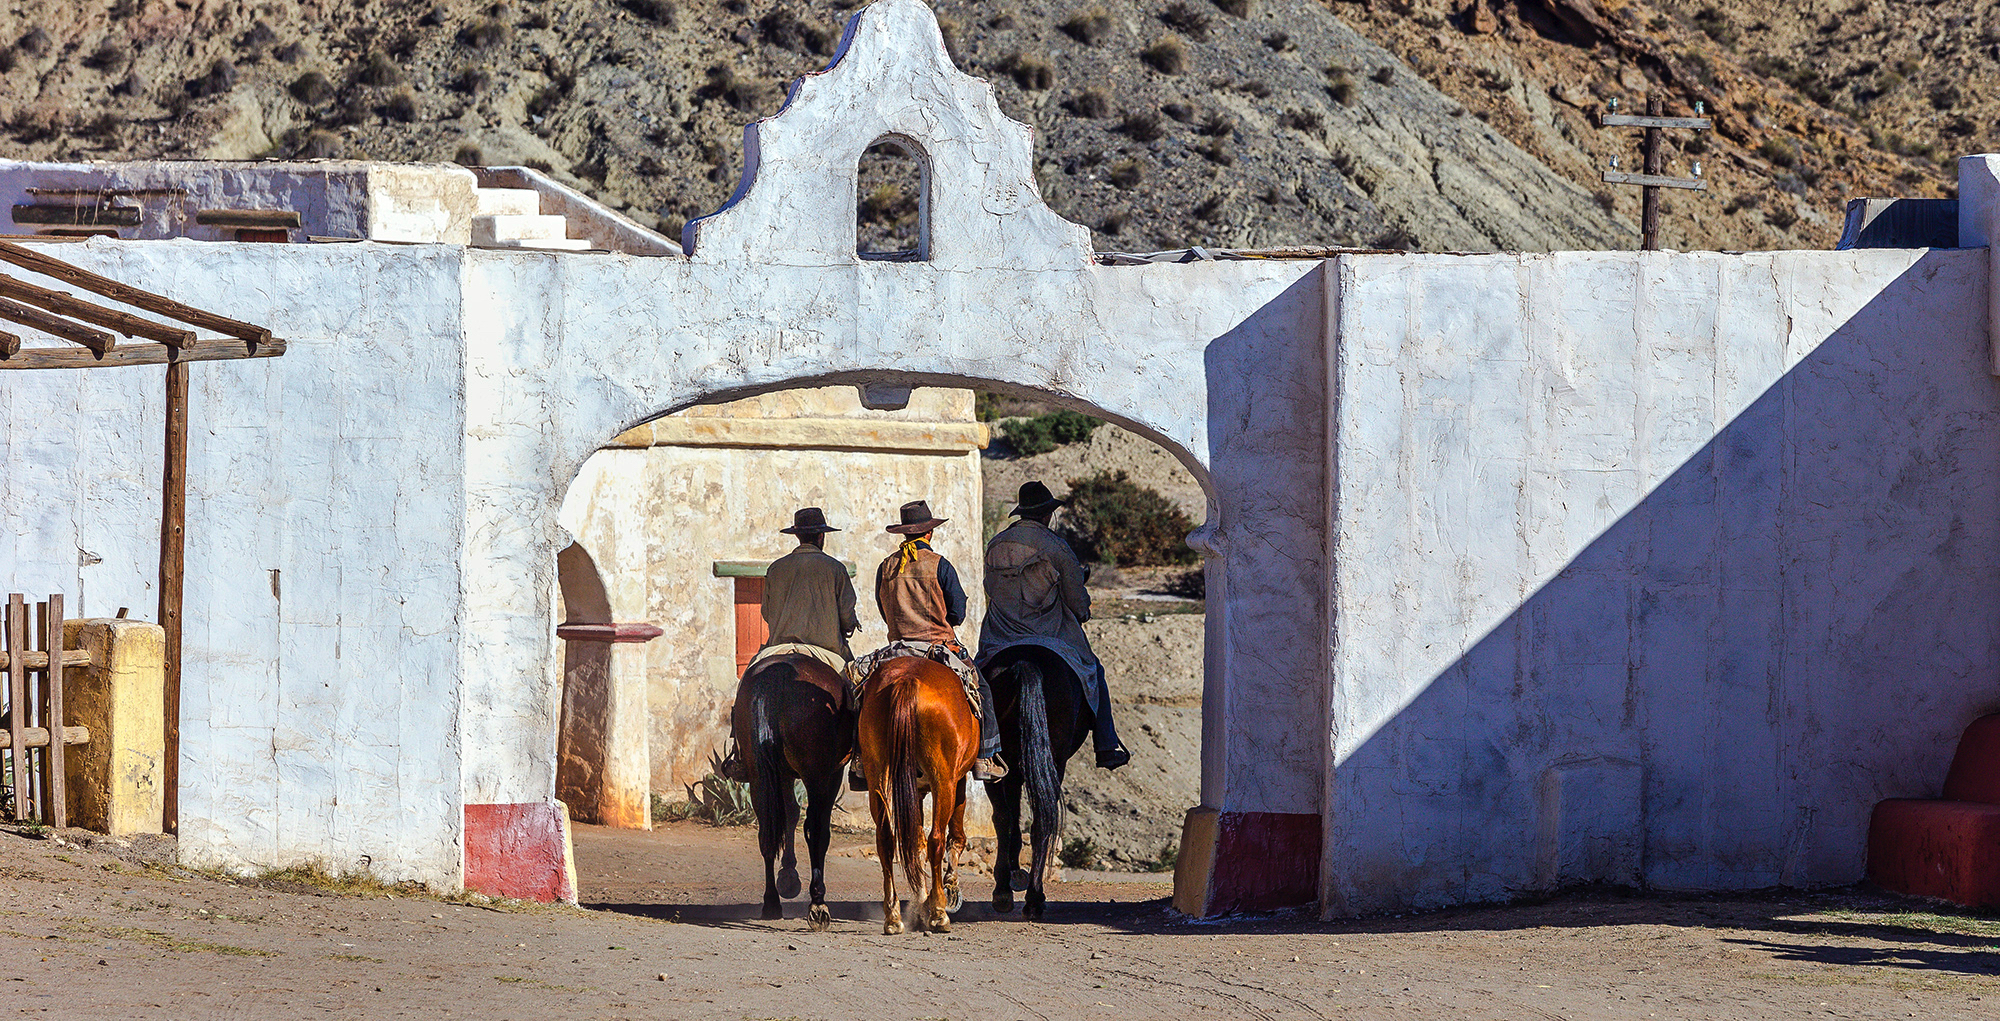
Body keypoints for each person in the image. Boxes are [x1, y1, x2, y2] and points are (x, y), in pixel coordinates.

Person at [976, 481, 1130, 769]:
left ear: (1021, 512)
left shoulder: (995, 545)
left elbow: (990, 587)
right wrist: (1082, 610)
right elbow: (1077, 602)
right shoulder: (1056, 547)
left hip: (1001, 637)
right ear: (1047, 514)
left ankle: (979, 748)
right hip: (1051, 637)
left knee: (976, 681)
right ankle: (1107, 744)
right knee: (1095, 670)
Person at [865, 499, 1007, 784]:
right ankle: (985, 758)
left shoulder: (886, 567)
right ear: (928, 533)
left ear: (905, 534)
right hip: (938, 647)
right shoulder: (939, 565)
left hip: (896, 649)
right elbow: (958, 612)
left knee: (861, 695)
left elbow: (884, 609)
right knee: (983, 690)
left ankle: (860, 758)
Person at [751, 506, 859, 674]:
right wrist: (849, 624)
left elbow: (766, 612)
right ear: (821, 536)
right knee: (854, 689)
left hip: (778, 649)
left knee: (748, 679)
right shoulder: (835, 568)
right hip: (827, 652)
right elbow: (846, 615)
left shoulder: (776, 568)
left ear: (797, 536)